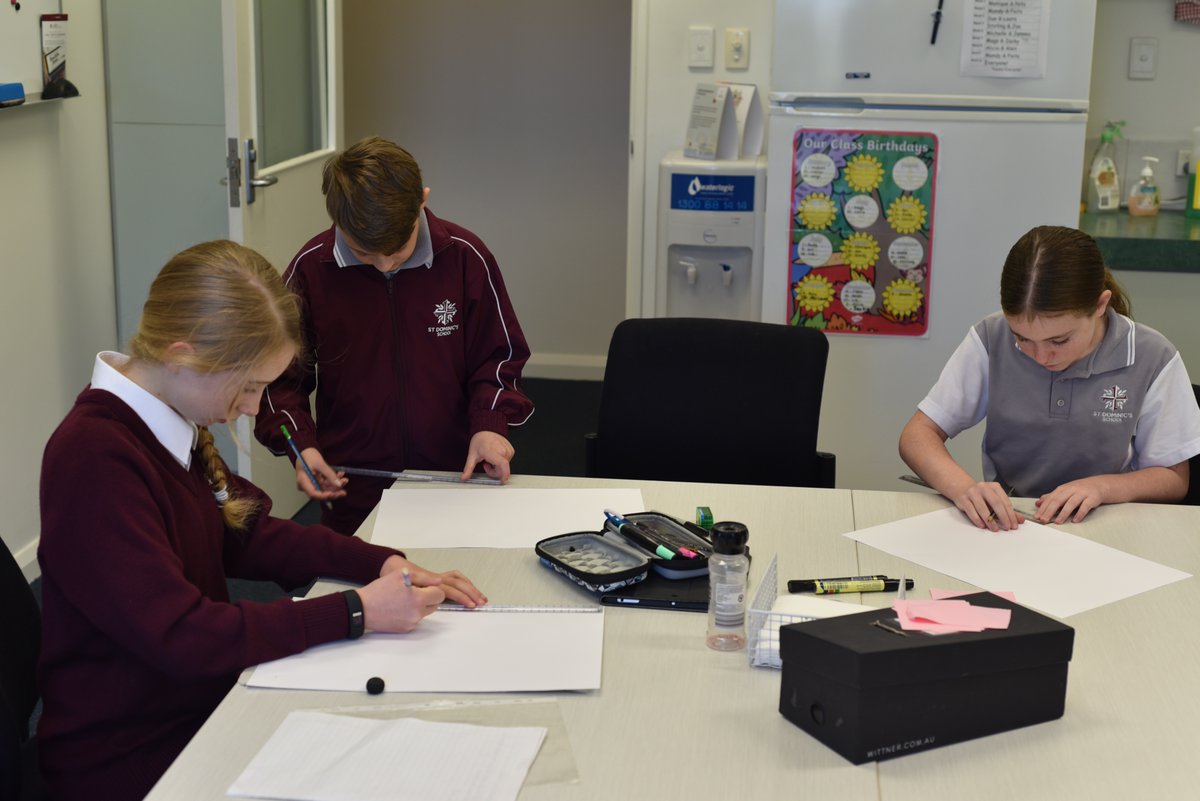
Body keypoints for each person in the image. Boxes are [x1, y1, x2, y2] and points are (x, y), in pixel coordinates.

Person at [36, 241, 487, 801]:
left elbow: (244, 529)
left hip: (198, 702)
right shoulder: (94, 459)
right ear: (183, 356)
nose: (254, 408)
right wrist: (355, 612)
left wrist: (380, 561)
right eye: (248, 386)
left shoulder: (170, 416)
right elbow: (181, 634)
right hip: (135, 755)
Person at [254, 136, 534, 535]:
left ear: (422, 199)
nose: (385, 264)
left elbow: (500, 357)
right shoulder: (311, 270)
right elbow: (279, 380)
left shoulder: (465, 257)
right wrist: (300, 445)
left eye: (397, 250)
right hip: (353, 483)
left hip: (459, 471)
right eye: (365, 254)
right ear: (337, 220)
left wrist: (490, 423)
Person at [899, 225, 1200, 529]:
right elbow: (917, 436)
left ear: (1100, 304)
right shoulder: (992, 336)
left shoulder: (1152, 356)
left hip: (1109, 521)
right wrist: (965, 489)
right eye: (1023, 339)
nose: (1041, 357)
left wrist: (1101, 488)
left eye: (1059, 341)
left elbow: (1174, 477)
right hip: (1013, 521)